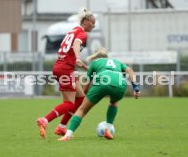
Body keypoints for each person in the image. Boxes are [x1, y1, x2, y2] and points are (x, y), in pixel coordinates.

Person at [36, 8, 96, 139]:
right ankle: (44, 120)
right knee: (69, 103)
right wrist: (78, 58)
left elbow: (67, 48)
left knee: (80, 99)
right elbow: (76, 43)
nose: (94, 25)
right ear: (85, 21)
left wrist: (79, 63)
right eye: (92, 22)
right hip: (65, 69)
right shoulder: (82, 33)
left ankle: (62, 127)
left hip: (62, 66)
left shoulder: (73, 30)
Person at [58, 47, 140, 141]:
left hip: (102, 81)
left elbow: (86, 86)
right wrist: (136, 88)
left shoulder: (95, 63)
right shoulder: (117, 62)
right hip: (120, 82)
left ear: (95, 55)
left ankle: (68, 135)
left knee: (82, 110)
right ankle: (108, 129)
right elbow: (130, 70)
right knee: (114, 102)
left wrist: (83, 97)